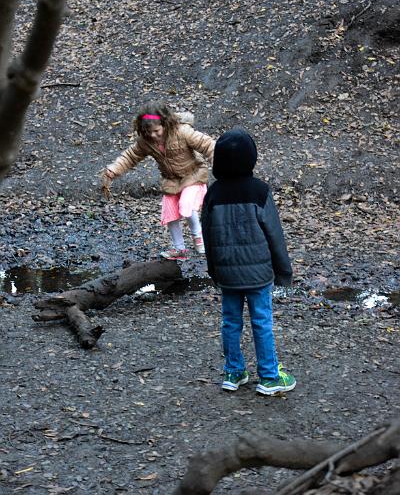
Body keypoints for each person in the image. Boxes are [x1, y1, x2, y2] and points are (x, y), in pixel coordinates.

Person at [201, 127, 296, 395]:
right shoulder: (260, 191)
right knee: (261, 322)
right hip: (259, 274)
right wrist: (283, 271)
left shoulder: (213, 194)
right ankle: (269, 376)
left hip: (227, 274)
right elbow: (274, 234)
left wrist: (214, 271)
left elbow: (207, 236)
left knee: (230, 322)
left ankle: (233, 372)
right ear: (250, 158)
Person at [102, 101, 215, 260]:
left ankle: (199, 238)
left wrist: (220, 163)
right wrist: (114, 169)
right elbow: (130, 156)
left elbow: (207, 145)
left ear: (165, 124)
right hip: (172, 180)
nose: (153, 135)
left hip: (193, 175)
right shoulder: (146, 141)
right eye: (149, 132)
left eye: (156, 131)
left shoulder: (182, 132)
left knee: (186, 204)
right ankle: (180, 249)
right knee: (169, 213)